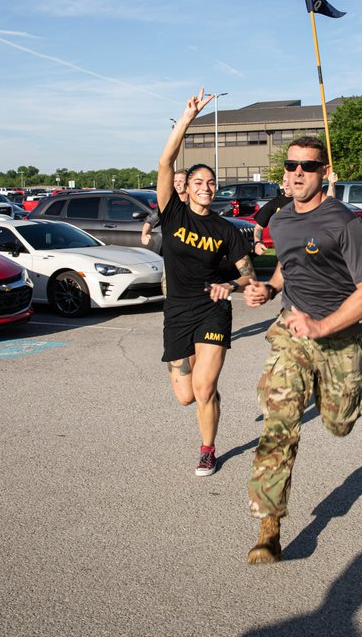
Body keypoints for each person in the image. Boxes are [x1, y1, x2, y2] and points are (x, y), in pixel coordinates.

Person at [242, 135, 362, 564]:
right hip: (292, 331)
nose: (297, 172)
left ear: (324, 173)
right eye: (291, 166)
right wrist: (269, 288)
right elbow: (289, 263)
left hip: (338, 336)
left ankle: (357, 389)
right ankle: (269, 525)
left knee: (339, 425)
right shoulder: (282, 220)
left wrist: (322, 324)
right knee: (278, 424)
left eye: (307, 166)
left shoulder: (343, 223)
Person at [156, 89, 254, 477]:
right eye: (199, 180)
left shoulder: (226, 230)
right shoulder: (172, 215)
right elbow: (165, 160)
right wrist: (188, 118)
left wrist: (231, 286)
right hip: (177, 311)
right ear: (187, 185)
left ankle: (208, 449)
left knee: (204, 389)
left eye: (212, 182)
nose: (206, 186)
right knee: (184, 396)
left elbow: (249, 275)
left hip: (213, 310)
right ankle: (206, 397)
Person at [141, 170, 186, 247]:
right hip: (175, 247)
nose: (177, 184)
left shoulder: (195, 203)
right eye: (175, 181)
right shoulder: (168, 204)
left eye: (181, 181)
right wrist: (144, 235)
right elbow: (150, 221)